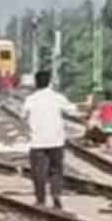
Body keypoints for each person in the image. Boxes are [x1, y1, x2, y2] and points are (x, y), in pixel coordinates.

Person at [21, 69, 75, 209]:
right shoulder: (58, 97)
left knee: (39, 172)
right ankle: (56, 195)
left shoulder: (30, 99)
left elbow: (23, 115)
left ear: (35, 83)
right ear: (50, 82)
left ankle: (40, 200)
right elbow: (72, 111)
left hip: (37, 142)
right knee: (56, 170)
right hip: (56, 141)